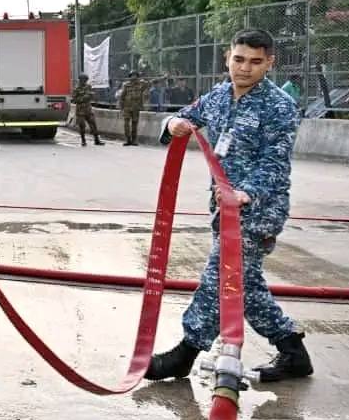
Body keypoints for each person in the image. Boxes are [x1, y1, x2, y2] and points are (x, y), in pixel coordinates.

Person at [145, 29, 313, 384]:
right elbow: (185, 116)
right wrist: (172, 123)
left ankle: (185, 353)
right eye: (239, 59)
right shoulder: (219, 96)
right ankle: (293, 352)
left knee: (221, 277)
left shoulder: (279, 107)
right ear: (227, 58)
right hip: (223, 209)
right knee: (244, 285)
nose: (245, 68)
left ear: (270, 62)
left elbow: (275, 162)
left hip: (258, 211)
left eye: (255, 62)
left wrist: (245, 193)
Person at [71, 74, 105, 147]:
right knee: (82, 126)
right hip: (80, 111)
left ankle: (97, 140)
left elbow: (92, 96)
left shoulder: (88, 87)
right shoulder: (76, 89)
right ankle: (83, 140)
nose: (84, 81)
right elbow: (74, 100)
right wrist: (84, 98)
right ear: (80, 80)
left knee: (93, 125)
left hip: (88, 109)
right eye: (83, 80)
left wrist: (92, 95)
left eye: (85, 80)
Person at [117, 71, 146, 146]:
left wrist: (163, 78)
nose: (134, 77)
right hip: (127, 107)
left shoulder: (141, 84)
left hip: (136, 107)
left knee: (134, 124)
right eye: (132, 75)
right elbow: (122, 96)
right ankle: (127, 139)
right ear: (130, 77)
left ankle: (134, 140)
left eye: (135, 75)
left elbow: (151, 82)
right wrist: (121, 107)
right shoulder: (126, 85)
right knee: (126, 124)